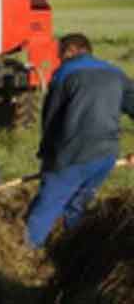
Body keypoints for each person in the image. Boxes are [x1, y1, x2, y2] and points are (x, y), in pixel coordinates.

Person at [25, 33, 134, 248]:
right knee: (77, 205)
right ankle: (74, 253)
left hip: (72, 155)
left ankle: (25, 255)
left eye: (60, 55)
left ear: (70, 51)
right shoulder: (115, 73)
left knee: (46, 206)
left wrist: (48, 159)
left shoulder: (64, 75)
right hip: (106, 156)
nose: (60, 60)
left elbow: (51, 120)